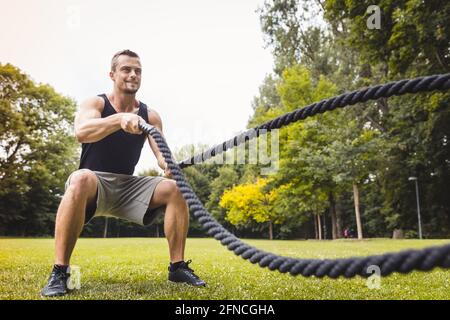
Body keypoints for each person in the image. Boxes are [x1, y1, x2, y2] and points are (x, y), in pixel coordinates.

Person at [41, 50, 206, 297]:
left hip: (128, 186)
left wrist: (168, 165)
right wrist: (118, 120)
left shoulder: (150, 115)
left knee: (175, 189)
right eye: (126, 69)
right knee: (81, 177)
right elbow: (81, 132)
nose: (133, 74)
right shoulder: (96, 104)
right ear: (112, 74)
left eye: (137, 71)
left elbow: (162, 154)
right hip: (93, 185)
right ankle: (60, 271)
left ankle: (177, 267)